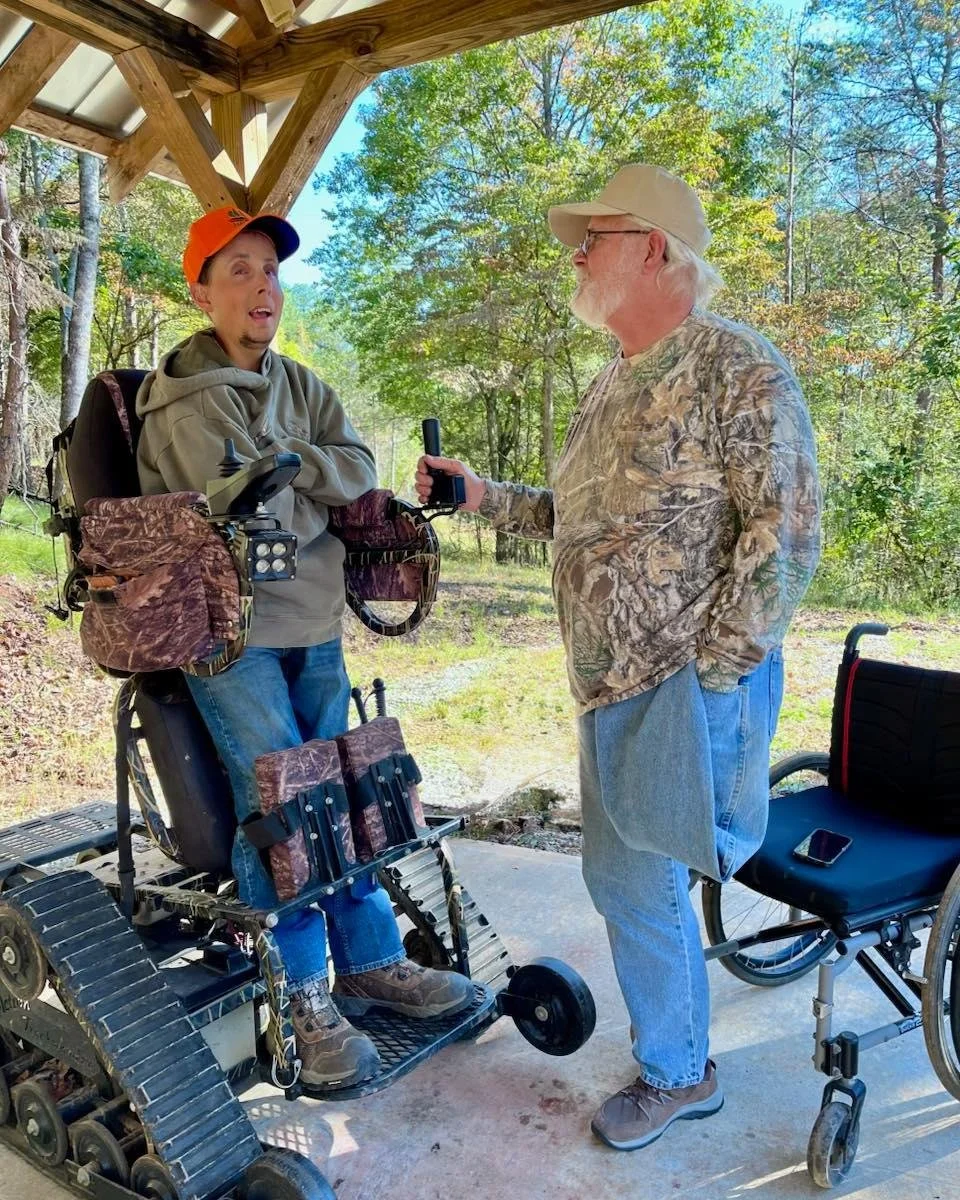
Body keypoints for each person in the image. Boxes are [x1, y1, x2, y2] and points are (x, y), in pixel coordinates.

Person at [415, 164, 821, 1150]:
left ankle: (680, 1073)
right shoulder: (612, 381)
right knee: (622, 880)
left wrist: (718, 670)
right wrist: (480, 498)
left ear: (652, 247)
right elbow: (577, 520)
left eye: (591, 237)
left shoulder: (737, 364)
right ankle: (680, 1052)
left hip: (684, 685)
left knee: (639, 882)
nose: (577, 255)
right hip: (607, 688)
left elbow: (792, 526)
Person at [137, 205, 474, 1091]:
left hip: (316, 621)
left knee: (349, 793)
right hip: (228, 636)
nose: (262, 288)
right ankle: (299, 1000)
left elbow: (354, 471)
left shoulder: (301, 384)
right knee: (284, 805)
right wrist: (300, 481)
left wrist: (292, 462)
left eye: (272, 272)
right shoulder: (181, 402)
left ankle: (370, 961)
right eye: (239, 271)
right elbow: (245, 512)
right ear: (200, 290)